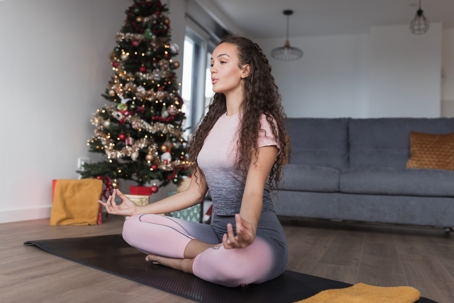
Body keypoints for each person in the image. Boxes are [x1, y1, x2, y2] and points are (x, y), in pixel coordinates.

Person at [99, 35, 290, 287]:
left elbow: (254, 191)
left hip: (258, 235)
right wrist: (137, 210)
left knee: (232, 268)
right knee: (133, 226)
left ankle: (181, 262)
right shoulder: (211, 126)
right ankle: (213, 253)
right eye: (212, 63)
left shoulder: (263, 124)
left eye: (222, 62)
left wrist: (248, 230)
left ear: (245, 70)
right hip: (215, 233)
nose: (213, 68)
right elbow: (195, 192)